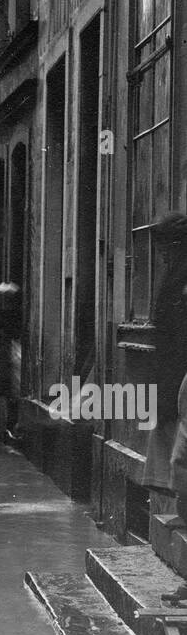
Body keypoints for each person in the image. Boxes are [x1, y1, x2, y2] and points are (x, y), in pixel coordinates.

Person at [144, 212, 187, 518]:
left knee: (174, 460)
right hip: (170, 380)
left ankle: (176, 518)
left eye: (163, 249)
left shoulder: (179, 279)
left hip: (177, 382)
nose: (160, 256)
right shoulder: (175, 276)